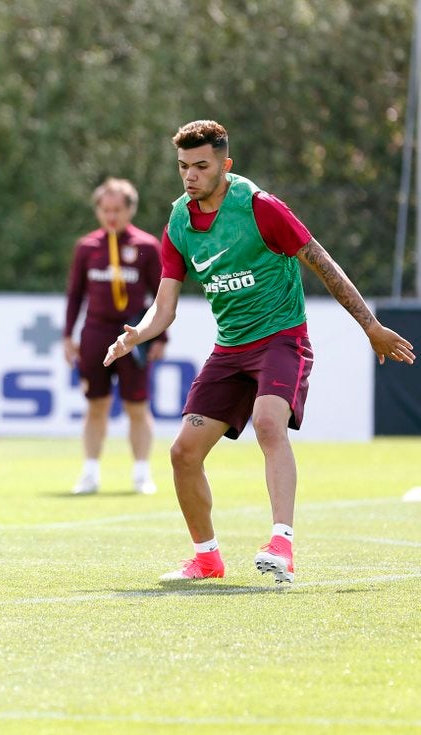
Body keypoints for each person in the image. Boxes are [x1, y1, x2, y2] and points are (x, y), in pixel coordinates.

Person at [105, 120, 415, 583]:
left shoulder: (259, 207)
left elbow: (321, 261)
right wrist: (137, 334)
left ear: (224, 165)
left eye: (201, 166)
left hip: (280, 338)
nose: (190, 175)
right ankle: (207, 558)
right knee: (182, 453)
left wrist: (370, 326)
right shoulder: (178, 223)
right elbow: (164, 308)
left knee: (269, 424)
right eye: (183, 167)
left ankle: (281, 545)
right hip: (230, 349)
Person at [63, 178, 165, 496]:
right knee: (96, 405)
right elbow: (75, 294)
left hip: (132, 334)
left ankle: (141, 474)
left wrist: (160, 337)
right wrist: (68, 336)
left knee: (137, 405)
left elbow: (163, 295)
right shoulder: (87, 247)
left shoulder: (147, 247)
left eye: (117, 210)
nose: (111, 216)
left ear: (130, 209)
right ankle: (90, 473)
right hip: (94, 332)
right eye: (105, 210)